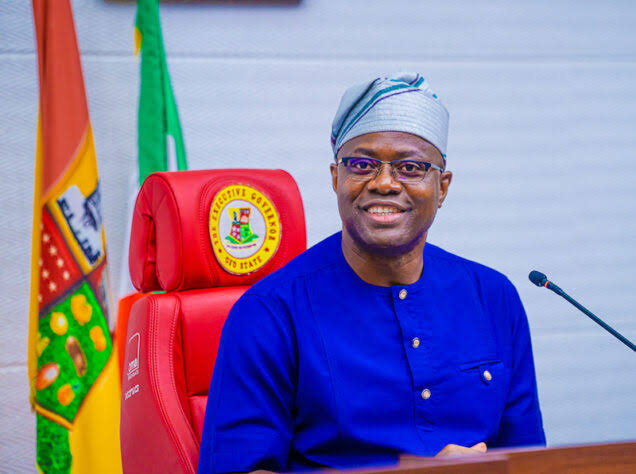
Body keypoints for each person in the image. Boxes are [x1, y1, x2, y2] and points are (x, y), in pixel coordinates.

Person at [198, 72, 545, 472]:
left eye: (410, 167)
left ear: (443, 187)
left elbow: (531, 462)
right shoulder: (271, 312)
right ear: (336, 178)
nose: (384, 183)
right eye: (362, 164)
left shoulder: (494, 298)